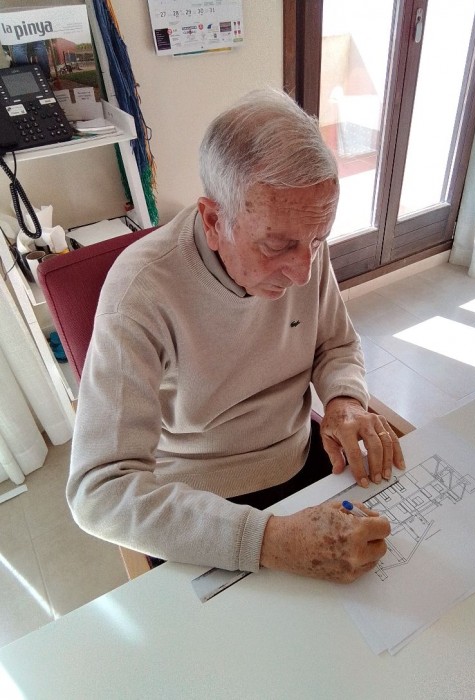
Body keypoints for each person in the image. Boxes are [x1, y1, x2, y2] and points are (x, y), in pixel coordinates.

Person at [67, 88, 405, 584]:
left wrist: (345, 401)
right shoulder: (140, 292)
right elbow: (98, 490)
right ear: (213, 220)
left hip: (301, 458)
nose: (302, 271)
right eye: (277, 246)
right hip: (198, 503)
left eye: (318, 240)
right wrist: (272, 541)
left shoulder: (302, 242)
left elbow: (335, 344)